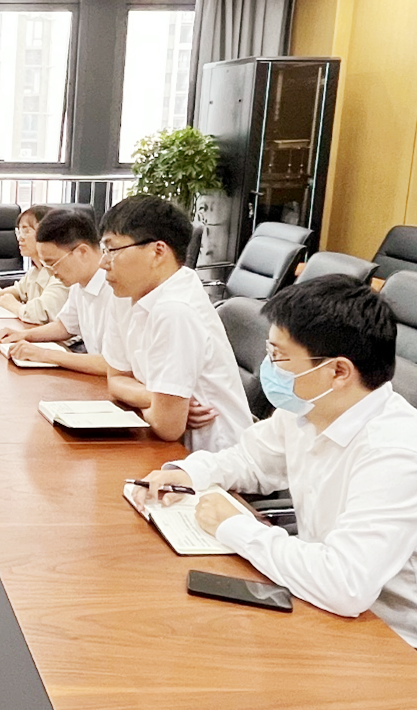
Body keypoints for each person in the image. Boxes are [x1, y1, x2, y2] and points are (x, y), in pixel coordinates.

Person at [130, 276, 417, 646]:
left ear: (338, 372)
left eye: (279, 356)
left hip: (387, 639)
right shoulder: (310, 408)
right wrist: (188, 472)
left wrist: (235, 527)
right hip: (314, 598)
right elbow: (250, 459)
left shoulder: (396, 451)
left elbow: (346, 584)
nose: (270, 366)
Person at [99, 194, 251, 451]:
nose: (103, 263)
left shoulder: (175, 309)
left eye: (112, 250)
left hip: (211, 456)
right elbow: (115, 380)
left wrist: (160, 407)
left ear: (158, 252)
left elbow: (167, 426)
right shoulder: (126, 294)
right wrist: (155, 398)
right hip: (165, 445)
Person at [0, 208, 123, 374]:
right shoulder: (79, 283)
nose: (51, 272)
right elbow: (65, 326)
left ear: (82, 252)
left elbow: (113, 365)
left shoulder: (118, 289)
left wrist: (45, 355)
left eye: (52, 263)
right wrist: (24, 335)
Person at [0, 205, 70, 325]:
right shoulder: (36, 270)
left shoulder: (61, 272)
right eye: (19, 232)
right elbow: (19, 290)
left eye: (26, 231)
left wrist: (13, 305)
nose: (20, 238)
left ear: (47, 233)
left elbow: (41, 313)